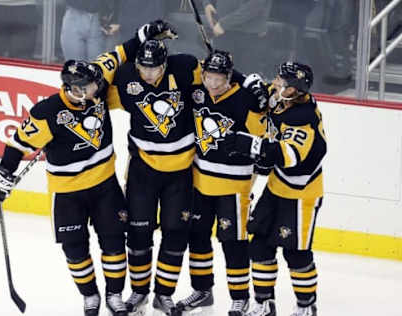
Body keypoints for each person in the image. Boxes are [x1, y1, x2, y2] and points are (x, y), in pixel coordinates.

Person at [0, 21, 177, 316]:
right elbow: (18, 144)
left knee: (113, 242)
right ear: (73, 89)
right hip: (67, 193)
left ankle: (114, 296)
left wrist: (145, 33)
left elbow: (120, 53)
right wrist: (3, 177)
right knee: (75, 250)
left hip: (104, 186)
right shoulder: (47, 112)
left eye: (96, 83)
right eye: (89, 86)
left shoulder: (96, 79)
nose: (98, 87)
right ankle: (90, 296)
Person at [225, 62, 326, 316]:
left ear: (295, 90)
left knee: (296, 254)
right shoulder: (284, 96)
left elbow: (289, 155)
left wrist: (250, 144)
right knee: (259, 245)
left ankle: (306, 306)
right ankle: (264, 304)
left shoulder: (304, 118)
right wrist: (246, 80)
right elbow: (258, 90)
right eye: (279, 78)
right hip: (276, 187)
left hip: (300, 195)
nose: (277, 83)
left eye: (283, 82)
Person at [106, 38, 196, 316]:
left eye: (154, 69)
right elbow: (94, 90)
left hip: (181, 172)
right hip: (143, 170)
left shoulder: (185, 69)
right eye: (143, 68)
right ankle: (139, 291)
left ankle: (164, 294)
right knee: (138, 233)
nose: (148, 74)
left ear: (165, 64)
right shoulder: (125, 77)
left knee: (175, 232)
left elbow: (221, 76)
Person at [175, 50, 267, 316]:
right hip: (200, 183)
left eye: (219, 79)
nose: (212, 84)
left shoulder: (245, 99)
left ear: (229, 77)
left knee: (233, 242)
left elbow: (261, 135)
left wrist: (257, 94)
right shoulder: (197, 92)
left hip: (234, 187)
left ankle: (240, 297)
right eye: (208, 77)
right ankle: (202, 290)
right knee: (197, 237)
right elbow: (185, 64)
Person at [202, 0, 273, 75]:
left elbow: (256, 5)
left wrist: (224, 24)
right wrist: (207, 3)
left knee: (245, 79)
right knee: (218, 77)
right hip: (222, 32)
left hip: (249, 36)